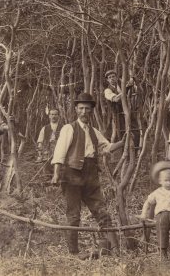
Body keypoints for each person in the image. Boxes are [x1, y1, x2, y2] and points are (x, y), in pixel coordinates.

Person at [51, 93, 127, 258]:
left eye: (87, 108)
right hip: (71, 174)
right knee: (73, 214)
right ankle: (74, 253)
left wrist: (122, 143)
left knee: (101, 211)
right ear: (76, 110)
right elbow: (60, 152)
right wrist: (56, 174)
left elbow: (106, 147)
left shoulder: (94, 131)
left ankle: (115, 251)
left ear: (92, 110)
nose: (84, 111)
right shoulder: (69, 128)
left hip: (91, 174)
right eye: (81, 108)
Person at [104, 70, 140, 152]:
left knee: (136, 133)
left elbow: (138, 90)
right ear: (107, 80)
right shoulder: (107, 90)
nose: (112, 79)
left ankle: (136, 153)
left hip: (129, 112)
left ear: (116, 77)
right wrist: (126, 88)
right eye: (110, 78)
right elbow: (116, 99)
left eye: (113, 76)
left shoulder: (122, 85)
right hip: (118, 114)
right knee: (124, 135)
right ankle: (126, 156)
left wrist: (134, 80)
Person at [36, 108, 63, 173]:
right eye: (52, 114)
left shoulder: (63, 128)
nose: (54, 116)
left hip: (59, 152)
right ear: (49, 116)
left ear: (58, 116)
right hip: (47, 153)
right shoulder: (44, 128)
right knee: (46, 171)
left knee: (59, 171)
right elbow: (40, 141)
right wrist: (39, 153)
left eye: (55, 114)